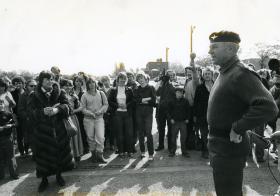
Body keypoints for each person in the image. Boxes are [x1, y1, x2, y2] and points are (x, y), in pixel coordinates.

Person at [207, 31, 278, 196]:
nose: (210, 52)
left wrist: (239, 127)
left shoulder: (240, 73)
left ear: (231, 49)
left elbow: (268, 107)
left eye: (214, 47)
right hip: (219, 146)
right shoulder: (225, 72)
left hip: (229, 147)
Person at [28, 71, 74, 192]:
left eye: (51, 79)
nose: (50, 81)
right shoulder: (33, 95)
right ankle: (44, 180)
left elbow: (69, 107)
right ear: (41, 81)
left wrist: (57, 110)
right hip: (42, 132)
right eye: (47, 79)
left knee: (59, 154)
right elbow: (29, 113)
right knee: (43, 156)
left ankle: (59, 176)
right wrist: (42, 112)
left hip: (59, 130)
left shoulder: (60, 92)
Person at [80, 78, 108, 163]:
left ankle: (100, 155)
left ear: (96, 84)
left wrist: (100, 111)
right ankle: (93, 155)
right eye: (90, 83)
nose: (92, 84)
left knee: (100, 137)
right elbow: (83, 108)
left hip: (99, 118)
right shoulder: (84, 95)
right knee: (90, 137)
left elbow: (106, 104)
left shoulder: (101, 93)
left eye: (93, 82)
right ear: (87, 85)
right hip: (88, 119)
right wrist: (90, 113)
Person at [108, 72, 134, 158]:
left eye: (124, 78)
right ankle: (121, 151)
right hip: (117, 114)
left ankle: (129, 151)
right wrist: (118, 105)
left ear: (126, 80)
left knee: (129, 133)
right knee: (119, 133)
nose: (122, 80)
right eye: (121, 78)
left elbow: (133, 101)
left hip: (127, 113)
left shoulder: (129, 90)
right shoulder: (113, 90)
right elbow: (110, 101)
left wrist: (127, 105)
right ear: (117, 80)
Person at [60, 79, 84, 166]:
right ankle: (68, 158)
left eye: (69, 85)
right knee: (67, 139)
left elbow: (81, 107)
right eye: (65, 85)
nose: (68, 87)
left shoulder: (73, 96)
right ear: (61, 86)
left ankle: (76, 155)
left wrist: (74, 111)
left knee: (74, 137)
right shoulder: (60, 95)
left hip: (73, 118)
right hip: (64, 119)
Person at [193, 67, 214, 159]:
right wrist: (195, 115)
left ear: (212, 75)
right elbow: (196, 102)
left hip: (215, 114)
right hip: (202, 115)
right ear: (203, 76)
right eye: (205, 74)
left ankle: (213, 151)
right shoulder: (199, 87)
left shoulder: (216, 86)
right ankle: (205, 151)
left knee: (214, 134)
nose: (207, 75)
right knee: (204, 134)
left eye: (209, 74)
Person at [134, 72, 156, 160]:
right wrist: (148, 99)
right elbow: (136, 101)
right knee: (140, 133)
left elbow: (154, 101)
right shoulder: (136, 89)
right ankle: (142, 152)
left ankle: (151, 153)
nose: (140, 80)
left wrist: (142, 100)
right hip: (139, 113)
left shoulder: (151, 88)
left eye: (141, 78)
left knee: (148, 133)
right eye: (138, 79)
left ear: (145, 78)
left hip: (148, 113)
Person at [167, 86, 190, 158]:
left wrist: (187, 118)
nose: (179, 94)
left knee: (183, 137)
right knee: (173, 137)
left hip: (183, 122)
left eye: (181, 93)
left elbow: (188, 111)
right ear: (175, 93)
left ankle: (184, 151)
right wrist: (170, 119)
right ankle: (172, 151)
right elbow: (168, 111)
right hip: (175, 122)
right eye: (178, 92)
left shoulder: (186, 101)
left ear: (183, 93)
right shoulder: (171, 101)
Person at [17, 79, 37, 158]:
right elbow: (20, 110)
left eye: (35, 86)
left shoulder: (38, 94)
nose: (33, 87)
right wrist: (28, 117)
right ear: (27, 86)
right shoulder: (23, 96)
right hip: (28, 122)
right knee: (30, 139)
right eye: (31, 86)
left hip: (38, 121)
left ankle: (36, 154)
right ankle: (34, 155)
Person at [0, 99, 19, 180]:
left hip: (8, 138)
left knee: (11, 157)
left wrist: (11, 125)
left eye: (1, 104)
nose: (0, 105)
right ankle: (1, 176)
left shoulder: (9, 114)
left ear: (4, 105)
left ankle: (14, 174)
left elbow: (16, 123)